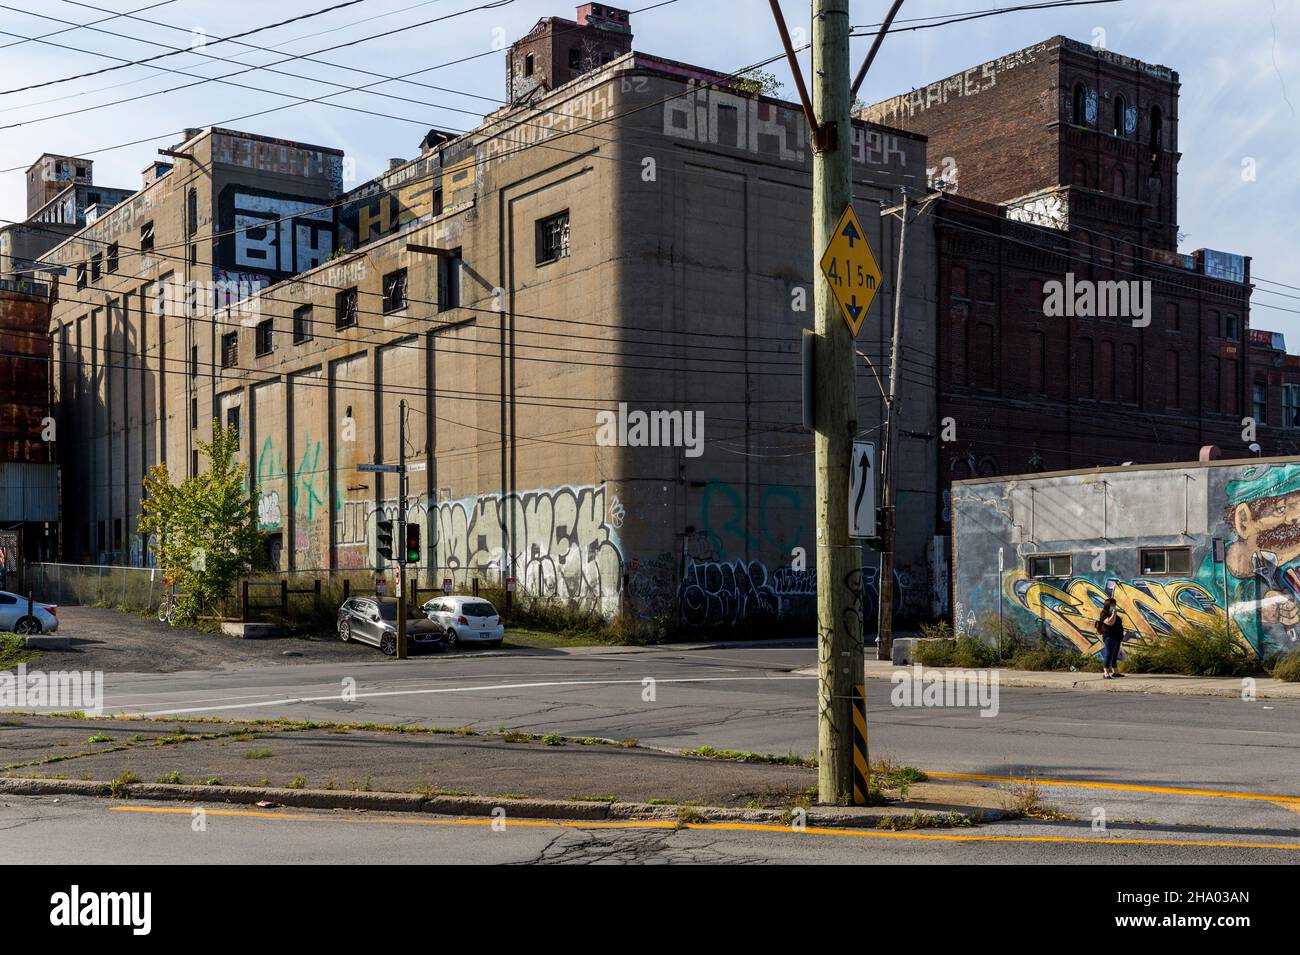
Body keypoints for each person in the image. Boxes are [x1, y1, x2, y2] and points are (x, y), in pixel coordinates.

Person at [1096, 598, 1125, 679]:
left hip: (1117, 637)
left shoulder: (1114, 614)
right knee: (1108, 654)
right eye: (1112, 605)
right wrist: (1114, 613)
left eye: (1114, 604)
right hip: (1109, 637)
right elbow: (1110, 622)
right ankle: (1106, 673)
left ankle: (1115, 672)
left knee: (1115, 655)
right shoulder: (1104, 614)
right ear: (1107, 605)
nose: (1114, 606)